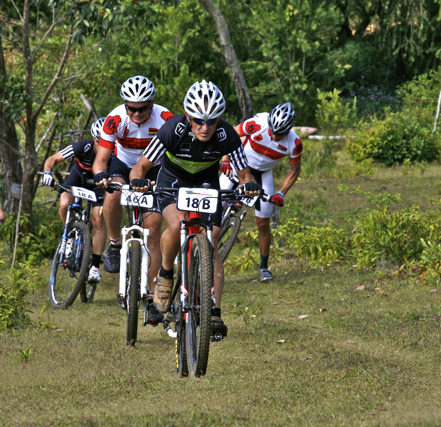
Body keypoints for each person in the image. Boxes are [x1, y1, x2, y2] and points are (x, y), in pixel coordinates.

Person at [129, 80, 261, 337]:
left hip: (205, 185)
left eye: (212, 121)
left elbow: (245, 173)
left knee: (210, 243)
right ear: (188, 115)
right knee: (177, 225)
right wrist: (138, 180)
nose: (205, 127)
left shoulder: (226, 136)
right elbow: (141, 167)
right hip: (173, 182)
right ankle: (166, 274)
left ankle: (213, 314)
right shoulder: (173, 130)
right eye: (199, 120)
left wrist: (250, 185)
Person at [93, 75, 173, 325]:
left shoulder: (165, 119)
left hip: (154, 168)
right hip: (124, 163)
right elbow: (101, 159)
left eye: (142, 108)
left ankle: (151, 298)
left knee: (153, 230)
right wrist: (100, 176)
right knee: (113, 192)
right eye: (132, 108)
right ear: (125, 105)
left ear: (152, 103)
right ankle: (115, 244)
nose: (136, 113)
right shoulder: (116, 118)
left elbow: (173, 155)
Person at [223, 102, 303, 282]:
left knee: (262, 222)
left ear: (289, 130)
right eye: (273, 131)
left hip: (263, 174)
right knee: (216, 206)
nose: (274, 136)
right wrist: (226, 159)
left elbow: (294, 171)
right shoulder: (257, 124)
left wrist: (281, 193)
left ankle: (264, 267)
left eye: (279, 133)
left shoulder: (295, 143)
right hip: (239, 165)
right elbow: (231, 133)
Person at [41, 118, 108, 288]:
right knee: (64, 204)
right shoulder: (83, 146)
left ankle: (94, 266)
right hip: (79, 177)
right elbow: (52, 159)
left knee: (98, 219)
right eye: (99, 141)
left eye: (106, 141)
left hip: (100, 183)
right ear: (93, 139)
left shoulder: (114, 151)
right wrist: (47, 173)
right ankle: (70, 236)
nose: (102, 145)